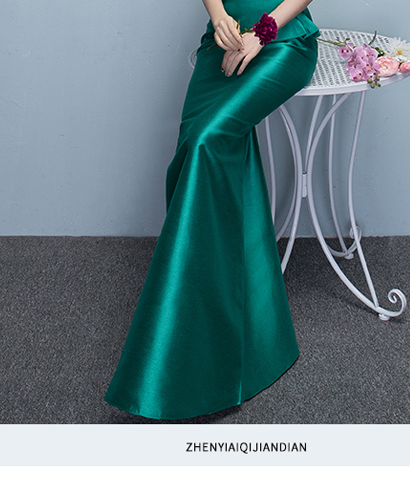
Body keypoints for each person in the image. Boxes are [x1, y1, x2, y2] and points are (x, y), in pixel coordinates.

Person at [104, 0, 319, 420]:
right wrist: (218, 16)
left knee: (207, 143)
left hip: (282, 40)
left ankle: (187, 330)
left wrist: (263, 33)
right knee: (193, 149)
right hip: (223, 42)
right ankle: (242, 324)